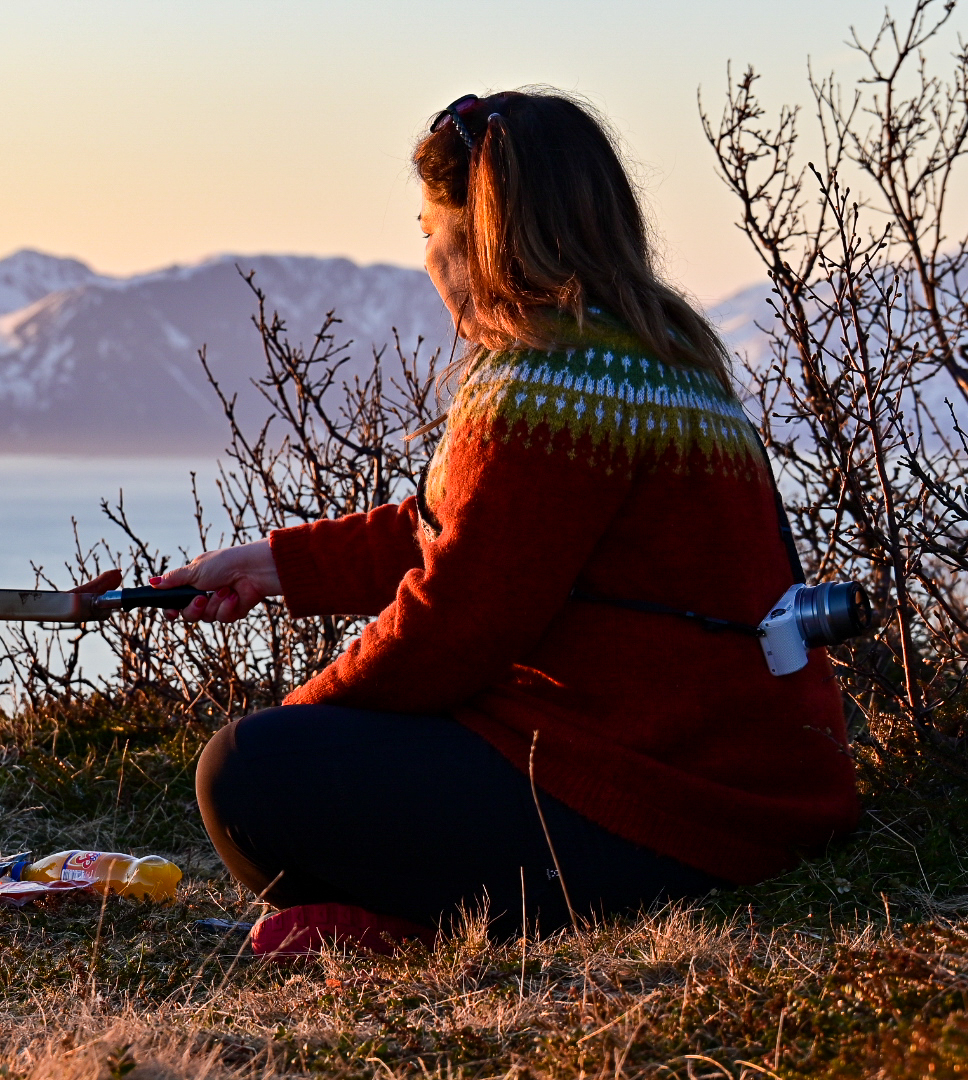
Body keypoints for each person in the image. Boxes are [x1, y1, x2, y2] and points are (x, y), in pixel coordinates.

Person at [132, 89, 857, 955]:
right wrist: (271, 566)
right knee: (312, 760)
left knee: (247, 772)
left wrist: (304, 712)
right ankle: (413, 917)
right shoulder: (659, 361)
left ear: (478, 237)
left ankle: (447, 922)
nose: (427, 257)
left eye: (428, 228)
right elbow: (469, 534)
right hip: (752, 796)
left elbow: (459, 622)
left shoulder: (550, 379)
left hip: (668, 815)